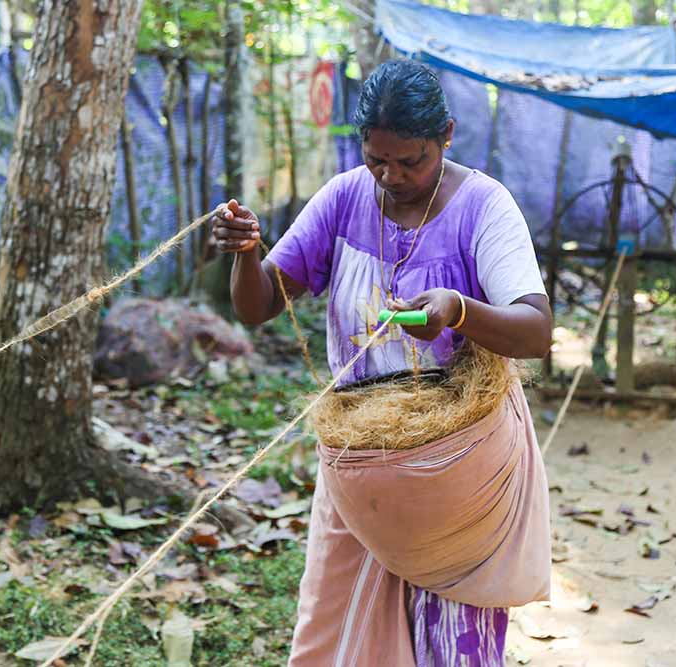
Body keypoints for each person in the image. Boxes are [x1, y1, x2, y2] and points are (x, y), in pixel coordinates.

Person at [211, 59, 552, 667]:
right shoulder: (344, 199)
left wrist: (458, 310)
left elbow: (536, 330)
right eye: (376, 159)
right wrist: (245, 253)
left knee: (453, 645)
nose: (390, 175)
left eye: (410, 160)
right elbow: (260, 304)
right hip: (359, 469)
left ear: (445, 135)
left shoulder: (483, 207)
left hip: (458, 474)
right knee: (335, 641)